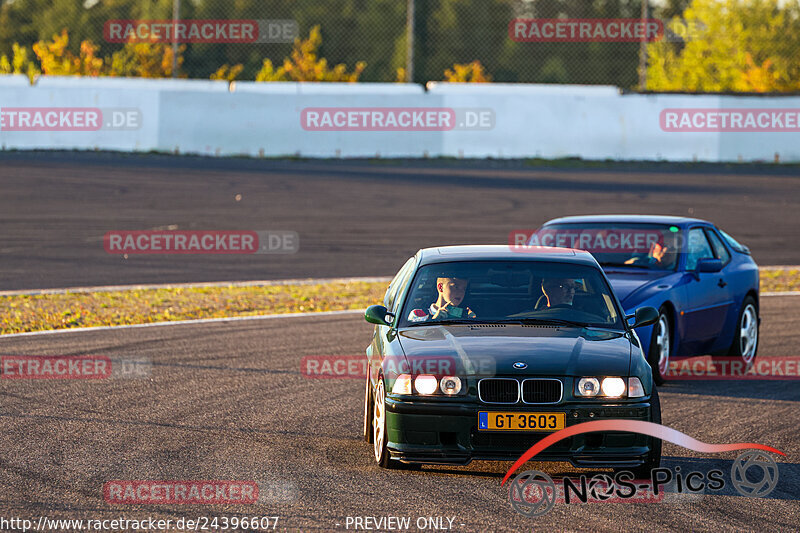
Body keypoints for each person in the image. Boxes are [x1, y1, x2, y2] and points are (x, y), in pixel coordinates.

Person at [408, 277, 477, 322]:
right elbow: (414, 340)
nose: (460, 292)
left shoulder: (467, 316)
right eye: (455, 287)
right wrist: (433, 321)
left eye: (464, 289)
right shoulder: (419, 314)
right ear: (440, 287)